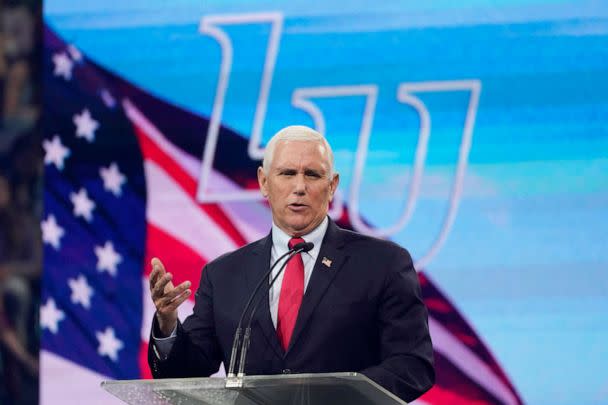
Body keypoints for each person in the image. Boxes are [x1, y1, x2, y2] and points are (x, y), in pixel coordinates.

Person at [148, 125, 435, 402]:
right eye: (287, 173)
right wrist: (167, 322)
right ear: (263, 182)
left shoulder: (382, 263)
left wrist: (340, 398)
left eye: (312, 174)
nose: (299, 187)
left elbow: (412, 364)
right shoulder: (223, 274)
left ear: (332, 185)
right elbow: (187, 370)